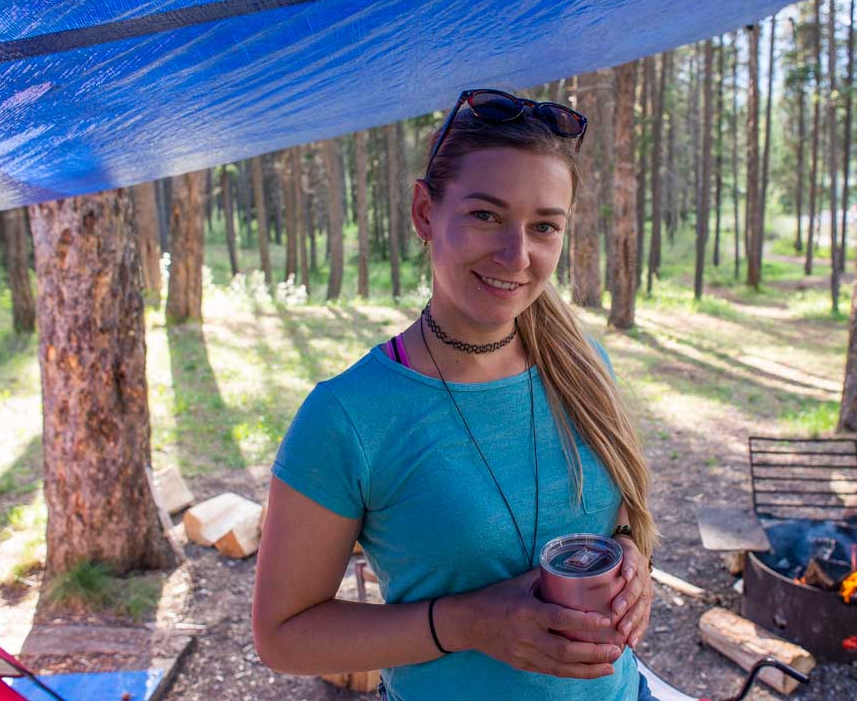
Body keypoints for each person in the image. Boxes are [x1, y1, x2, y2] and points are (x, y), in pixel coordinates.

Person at [252, 88, 661, 700]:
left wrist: (631, 559)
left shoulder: (580, 364)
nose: (515, 255)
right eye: (484, 215)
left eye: (544, 226)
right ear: (424, 212)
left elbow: (616, 513)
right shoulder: (348, 417)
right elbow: (283, 636)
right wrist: (471, 622)